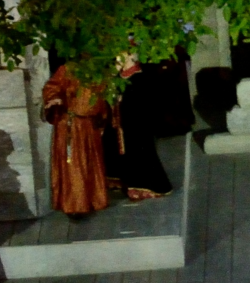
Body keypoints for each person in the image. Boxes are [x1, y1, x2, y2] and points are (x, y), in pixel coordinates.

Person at [42, 60, 115, 215]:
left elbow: (103, 99)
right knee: (74, 165)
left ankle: (93, 199)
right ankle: (75, 205)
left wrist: (102, 119)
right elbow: (52, 87)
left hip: (90, 125)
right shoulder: (68, 69)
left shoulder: (100, 72)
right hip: (71, 125)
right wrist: (55, 98)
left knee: (91, 162)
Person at [108, 55, 180, 197]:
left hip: (137, 125)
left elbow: (140, 103)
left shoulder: (139, 77)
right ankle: (130, 183)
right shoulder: (120, 78)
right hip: (124, 124)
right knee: (127, 154)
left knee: (140, 152)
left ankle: (147, 185)